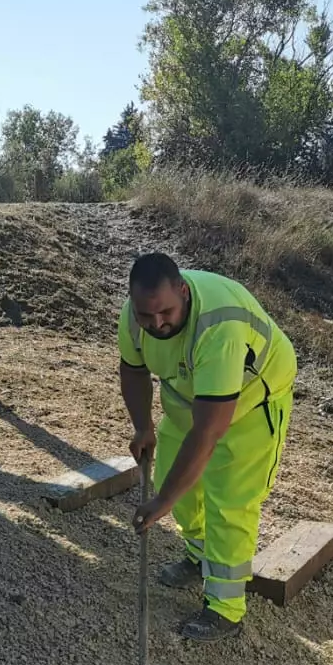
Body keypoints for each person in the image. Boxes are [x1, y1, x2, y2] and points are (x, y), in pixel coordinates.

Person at [119, 252, 297, 642]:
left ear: (183, 292)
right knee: (175, 479)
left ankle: (225, 608)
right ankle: (198, 558)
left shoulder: (219, 323)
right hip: (190, 399)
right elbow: (132, 370)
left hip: (251, 403)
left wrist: (160, 501)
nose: (157, 324)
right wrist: (142, 426)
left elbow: (209, 431)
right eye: (147, 316)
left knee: (228, 502)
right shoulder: (135, 314)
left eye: (165, 312)